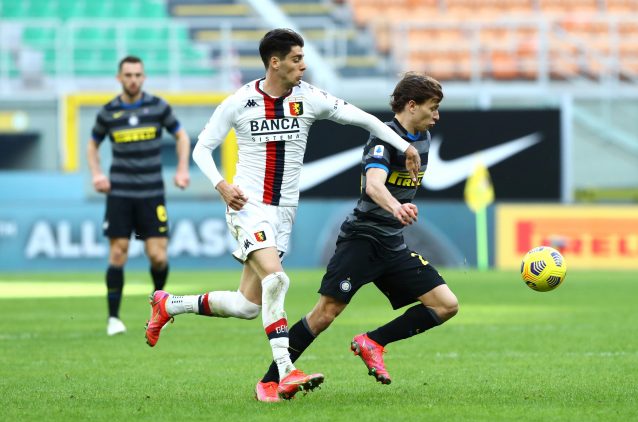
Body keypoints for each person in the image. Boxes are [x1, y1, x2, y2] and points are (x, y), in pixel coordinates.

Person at [143, 28, 422, 402]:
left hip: (284, 212)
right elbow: (201, 149)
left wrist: (405, 146)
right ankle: (286, 372)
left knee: (246, 305)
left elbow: (365, 120)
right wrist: (221, 185)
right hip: (248, 206)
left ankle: (169, 304)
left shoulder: (309, 98)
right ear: (275, 63)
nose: (303, 65)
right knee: (276, 280)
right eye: (296, 58)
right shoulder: (240, 102)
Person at [257, 72, 459, 396]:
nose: (437, 115)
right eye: (432, 107)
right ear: (411, 105)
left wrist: (399, 209)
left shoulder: (422, 139)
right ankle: (269, 381)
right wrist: (397, 207)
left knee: (445, 305)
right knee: (325, 313)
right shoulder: (383, 139)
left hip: (392, 243)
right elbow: (374, 185)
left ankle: (373, 342)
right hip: (362, 240)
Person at [87, 56, 191, 336]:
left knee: (157, 256)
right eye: (128, 75)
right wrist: (97, 174)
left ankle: (159, 309)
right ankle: (113, 318)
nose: (133, 80)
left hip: (151, 193)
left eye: (137, 75)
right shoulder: (108, 112)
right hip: (120, 194)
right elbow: (92, 144)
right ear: (119, 78)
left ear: (143, 77)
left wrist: (182, 169)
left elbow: (182, 136)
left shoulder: (158, 107)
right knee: (117, 252)